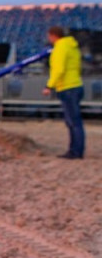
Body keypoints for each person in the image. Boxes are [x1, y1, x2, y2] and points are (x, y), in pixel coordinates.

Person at [42, 26, 84, 159]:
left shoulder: (60, 48)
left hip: (67, 87)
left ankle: (75, 151)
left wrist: (49, 86)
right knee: (74, 121)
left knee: (73, 122)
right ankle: (75, 150)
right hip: (76, 84)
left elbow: (58, 69)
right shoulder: (72, 47)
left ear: (53, 35)